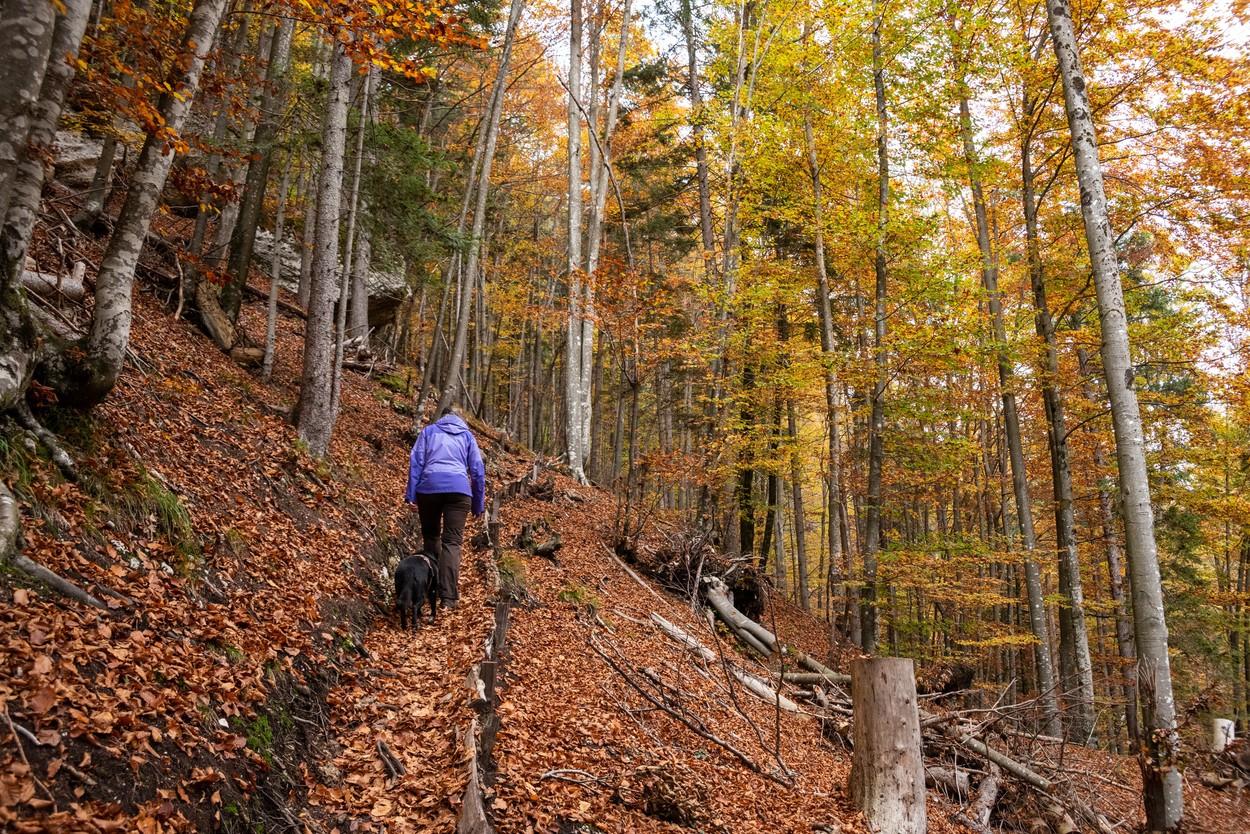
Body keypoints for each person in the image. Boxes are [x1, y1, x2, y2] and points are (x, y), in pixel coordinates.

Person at [405, 406, 485, 609]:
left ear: (442, 418)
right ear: (459, 418)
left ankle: (429, 589)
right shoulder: (467, 436)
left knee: (431, 537)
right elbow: (477, 470)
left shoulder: (429, 432)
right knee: (453, 542)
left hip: (429, 488)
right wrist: (478, 503)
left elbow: (416, 462)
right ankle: (448, 598)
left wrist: (411, 494)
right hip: (459, 491)